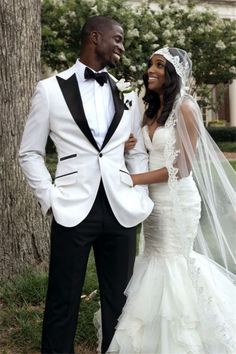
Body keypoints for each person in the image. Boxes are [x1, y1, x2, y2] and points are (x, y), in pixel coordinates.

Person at [19, 16, 153, 354]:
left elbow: (135, 151)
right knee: (63, 300)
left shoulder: (127, 93)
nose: (122, 47)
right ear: (95, 38)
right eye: (118, 39)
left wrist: (138, 193)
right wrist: (49, 196)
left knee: (120, 303)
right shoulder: (49, 89)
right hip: (72, 207)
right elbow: (30, 152)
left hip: (121, 209)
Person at [105, 47, 236, 353]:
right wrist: (128, 147)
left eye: (159, 65)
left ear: (173, 74)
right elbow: (146, 152)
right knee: (152, 258)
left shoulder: (186, 108)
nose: (150, 69)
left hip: (177, 200)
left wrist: (132, 180)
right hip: (151, 201)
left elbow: (182, 168)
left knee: (174, 261)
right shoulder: (151, 107)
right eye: (150, 63)